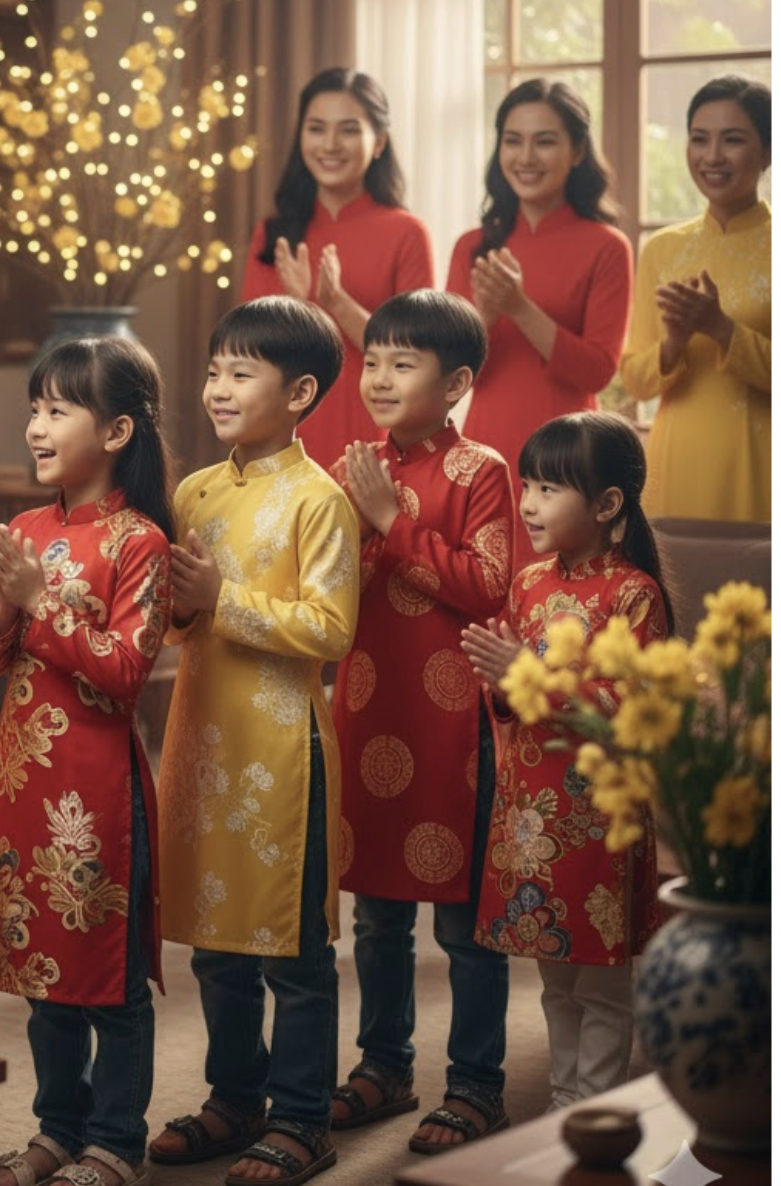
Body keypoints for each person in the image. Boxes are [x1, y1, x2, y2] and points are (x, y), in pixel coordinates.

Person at [150, 297, 360, 1185]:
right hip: (201, 743)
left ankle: (305, 1117)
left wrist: (218, 601)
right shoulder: (196, 491)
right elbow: (172, 627)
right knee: (214, 944)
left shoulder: (322, 501)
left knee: (294, 952)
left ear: (302, 391)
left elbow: (331, 630)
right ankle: (235, 1099)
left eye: (242, 372)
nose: (217, 388)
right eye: (213, 370)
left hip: (283, 758)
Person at [0, 337, 177, 1186]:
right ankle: (58, 1128)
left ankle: (116, 1142)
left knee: (110, 980)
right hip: (24, 784)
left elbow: (126, 673)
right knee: (41, 971)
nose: (37, 426)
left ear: (119, 429)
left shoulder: (142, 542)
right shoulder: (25, 527)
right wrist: (8, 610)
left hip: (97, 795)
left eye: (59, 409)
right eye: (35, 408)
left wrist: (36, 604)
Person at [326, 291, 513, 1154]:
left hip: (451, 721)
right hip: (368, 704)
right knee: (377, 913)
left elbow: (488, 587)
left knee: (464, 921)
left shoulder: (482, 472)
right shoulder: (353, 461)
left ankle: (476, 1083)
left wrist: (392, 523)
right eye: (372, 360)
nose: (380, 377)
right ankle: (385, 1066)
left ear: (458, 381)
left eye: (405, 363)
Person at [462, 412, 669, 1112]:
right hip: (530, 812)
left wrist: (529, 674)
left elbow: (628, 707)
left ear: (608, 504)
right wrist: (502, 686)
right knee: (555, 977)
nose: (528, 504)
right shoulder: (526, 585)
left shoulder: (633, 593)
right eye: (527, 485)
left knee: (602, 980)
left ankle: (598, 1107)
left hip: (598, 815)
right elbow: (513, 700)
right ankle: (562, 1103)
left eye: (549, 488)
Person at [447, 79, 632, 567]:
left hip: (570, 462)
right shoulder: (472, 247)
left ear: (576, 152)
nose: (526, 156)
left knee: (563, 609)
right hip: (486, 452)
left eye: (544, 140)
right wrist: (483, 318)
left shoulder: (606, 246)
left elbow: (597, 371)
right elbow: (449, 376)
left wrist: (519, 307)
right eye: (513, 139)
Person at [240, 67, 433, 472]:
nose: (329, 144)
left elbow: (414, 360)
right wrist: (298, 304)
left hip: (376, 441)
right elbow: (250, 358)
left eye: (348, 130)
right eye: (316, 128)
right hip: (282, 437)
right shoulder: (274, 234)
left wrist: (334, 302)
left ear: (378, 142)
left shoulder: (406, 233)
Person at [620, 74, 771, 522]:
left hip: (760, 462)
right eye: (699, 139)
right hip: (677, 463)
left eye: (733, 140)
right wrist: (673, 343)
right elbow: (635, 381)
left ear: (766, 151)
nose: (712, 156)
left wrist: (723, 329)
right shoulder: (663, 249)